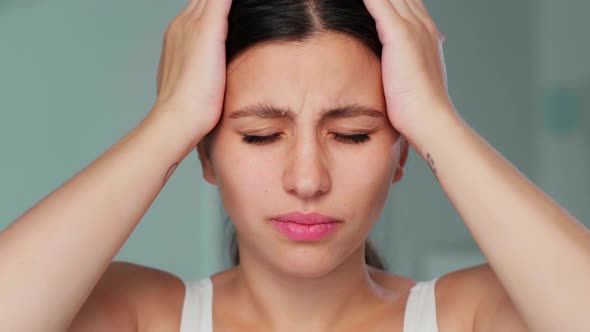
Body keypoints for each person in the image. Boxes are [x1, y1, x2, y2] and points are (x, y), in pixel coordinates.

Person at [1, 0, 589, 331]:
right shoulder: (142, 315)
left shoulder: (471, 316)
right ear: (205, 153)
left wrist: (437, 119)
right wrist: (171, 119)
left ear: (403, 152)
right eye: (260, 136)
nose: (307, 180)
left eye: (353, 134)